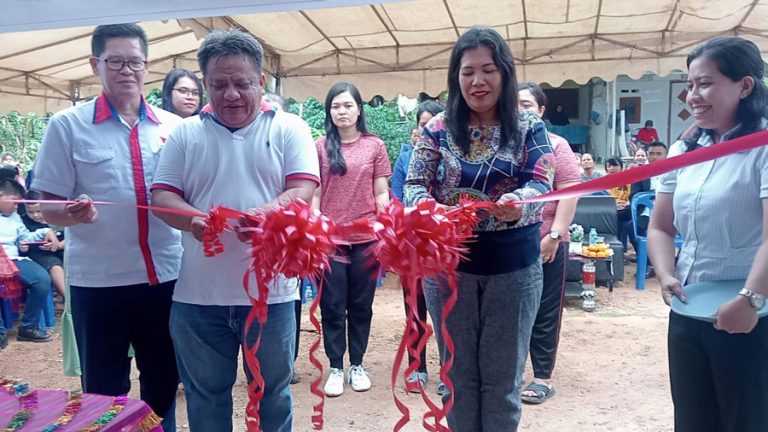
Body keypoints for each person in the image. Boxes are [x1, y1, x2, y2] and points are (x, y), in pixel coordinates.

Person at [151, 29, 319, 432]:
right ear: (205, 83)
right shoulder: (185, 134)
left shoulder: (289, 127)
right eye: (219, 84)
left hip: (272, 295)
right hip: (198, 296)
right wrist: (193, 220)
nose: (231, 95)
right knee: (206, 397)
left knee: (273, 393)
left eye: (242, 83)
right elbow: (162, 198)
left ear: (260, 81)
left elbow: (302, 189)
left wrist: (267, 214)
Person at [31, 23, 182, 431]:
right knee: (102, 392)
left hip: (165, 276)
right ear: (95, 64)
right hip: (99, 283)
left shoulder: (174, 126)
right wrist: (71, 214)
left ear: (147, 65)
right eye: (115, 62)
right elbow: (47, 205)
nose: (126, 71)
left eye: (135, 62)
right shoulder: (68, 125)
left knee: (163, 384)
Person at [404, 27, 554, 431]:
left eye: (488, 70)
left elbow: (542, 182)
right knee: (456, 379)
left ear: (505, 73)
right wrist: (432, 210)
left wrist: (518, 203)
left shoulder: (528, 126)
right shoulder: (438, 128)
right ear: (456, 76)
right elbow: (414, 185)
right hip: (448, 269)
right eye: (467, 71)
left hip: (514, 269)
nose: (477, 81)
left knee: (503, 381)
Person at [648, 36, 768, 432]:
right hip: (689, 309)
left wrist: (750, 299)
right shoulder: (684, 150)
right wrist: (666, 274)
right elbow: (660, 226)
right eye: (690, 85)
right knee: (693, 419)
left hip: (752, 316)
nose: (692, 96)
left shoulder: (763, 148)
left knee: (747, 419)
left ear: (744, 86)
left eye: (705, 83)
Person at [313, 82, 391, 397]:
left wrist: (386, 223)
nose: (342, 111)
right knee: (332, 305)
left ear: (359, 109)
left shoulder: (375, 146)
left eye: (347, 105)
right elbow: (315, 193)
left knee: (361, 304)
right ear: (329, 112)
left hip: (366, 239)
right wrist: (313, 224)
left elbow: (381, 191)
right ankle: (335, 366)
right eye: (335, 106)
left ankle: (356, 364)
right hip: (329, 239)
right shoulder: (319, 147)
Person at [517, 82, 580, 405]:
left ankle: (542, 378)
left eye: (526, 105)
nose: (519, 110)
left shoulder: (557, 145)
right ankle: (510, 374)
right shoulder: (503, 146)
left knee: (545, 310)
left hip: (546, 241)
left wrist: (555, 235)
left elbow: (569, 191)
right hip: (509, 243)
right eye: (513, 104)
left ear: (541, 110)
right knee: (508, 312)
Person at [390, 99, 445, 394]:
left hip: (445, 242)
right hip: (413, 241)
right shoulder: (406, 159)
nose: (425, 130)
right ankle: (416, 366)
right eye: (422, 125)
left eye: (430, 124)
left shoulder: (453, 156)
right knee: (415, 306)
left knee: (448, 308)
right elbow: (397, 198)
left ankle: (449, 370)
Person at [0, 179, 57, 349]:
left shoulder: (15, 217)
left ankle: (28, 327)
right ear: (1, 195)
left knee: (41, 279)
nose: (16, 206)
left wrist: (45, 232)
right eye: (14, 201)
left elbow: (24, 237)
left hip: (12, 259)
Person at [20, 190, 65, 298]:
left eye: (39, 211)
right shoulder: (23, 222)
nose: (35, 215)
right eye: (31, 212)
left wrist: (58, 245)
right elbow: (21, 239)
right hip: (38, 254)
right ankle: (69, 298)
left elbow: (70, 239)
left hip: (62, 250)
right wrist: (23, 246)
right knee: (54, 266)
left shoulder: (59, 219)